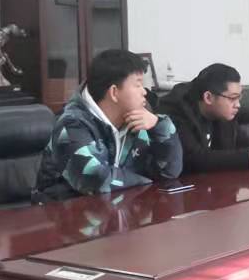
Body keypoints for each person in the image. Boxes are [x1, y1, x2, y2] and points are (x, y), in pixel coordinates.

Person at [33, 48, 183, 200]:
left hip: (116, 208)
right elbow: (97, 180)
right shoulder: (71, 125)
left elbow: (168, 172)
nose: (144, 92)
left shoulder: (135, 120)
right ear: (114, 92)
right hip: (61, 211)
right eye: (138, 85)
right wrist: (148, 182)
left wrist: (159, 125)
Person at [158, 63, 249, 173]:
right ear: (208, 97)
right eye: (233, 98)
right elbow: (193, 159)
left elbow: (246, 145)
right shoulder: (175, 111)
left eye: (239, 97)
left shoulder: (224, 114)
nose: (238, 105)